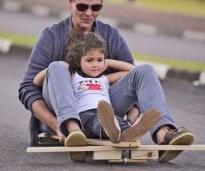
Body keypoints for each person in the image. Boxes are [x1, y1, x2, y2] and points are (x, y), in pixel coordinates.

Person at [18, 0, 194, 163]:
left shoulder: (110, 35)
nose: (89, 12)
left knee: (146, 71)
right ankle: (72, 128)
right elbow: (28, 88)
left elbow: (133, 78)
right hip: (61, 111)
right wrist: (56, 126)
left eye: (96, 7)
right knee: (56, 67)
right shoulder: (51, 36)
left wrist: (133, 117)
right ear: (70, 3)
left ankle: (163, 134)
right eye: (82, 6)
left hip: (101, 105)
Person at [33, 31, 161, 145]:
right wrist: (59, 66)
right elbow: (36, 81)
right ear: (78, 61)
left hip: (105, 114)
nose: (95, 65)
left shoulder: (105, 79)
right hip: (83, 116)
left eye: (99, 60)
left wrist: (108, 62)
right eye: (90, 60)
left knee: (112, 121)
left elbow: (135, 72)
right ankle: (118, 130)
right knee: (100, 122)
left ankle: (129, 131)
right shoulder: (73, 76)